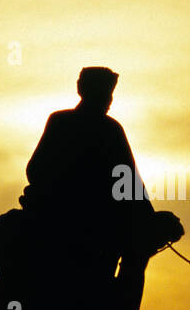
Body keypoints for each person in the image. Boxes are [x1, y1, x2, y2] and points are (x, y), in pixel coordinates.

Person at [20, 66, 153, 280]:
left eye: (109, 95)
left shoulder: (106, 128)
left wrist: (148, 215)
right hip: (80, 225)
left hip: (87, 224)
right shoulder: (72, 124)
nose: (109, 101)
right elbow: (35, 170)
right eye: (104, 94)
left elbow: (129, 182)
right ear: (84, 91)